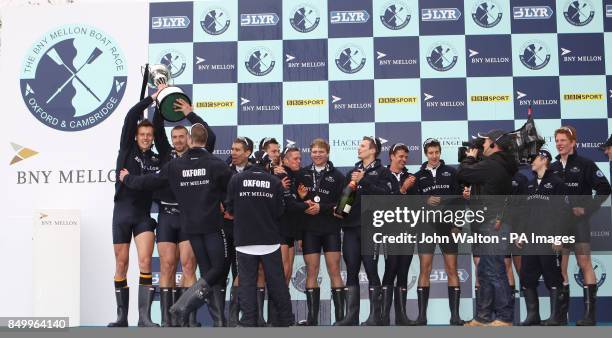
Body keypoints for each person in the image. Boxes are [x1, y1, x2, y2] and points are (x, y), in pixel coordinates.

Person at [119, 124, 231, 326]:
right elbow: (150, 181)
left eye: (182, 137)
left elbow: (149, 181)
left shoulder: (189, 163)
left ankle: (196, 318)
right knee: (184, 268)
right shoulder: (177, 160)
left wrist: (126, 178)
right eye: (175, 137)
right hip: (187, 221)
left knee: (197, 269)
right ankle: (173, 315)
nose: (178, 140)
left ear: (189, 139)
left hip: (190, 223)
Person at [108, 86, 163, 327]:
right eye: (142, 134)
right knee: (121, 263)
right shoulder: (126, 149)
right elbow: (131, 115)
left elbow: (160, 134)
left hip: (142, 216)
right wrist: (151, 98)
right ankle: (121, 317)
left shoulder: (157, 158)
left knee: (144, 262)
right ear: (135, 135)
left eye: (149, 135)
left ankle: (145, 317)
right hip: (122, 213)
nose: (146, 137)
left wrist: (161, 105)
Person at [224, 155, 295, 327]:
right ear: (267, 166)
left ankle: (249, 319)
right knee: (277, 282)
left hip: (245, 239)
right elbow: (279, 211)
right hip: (269, 239)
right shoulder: (275, 182)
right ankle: (286, 319)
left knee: (247, 282)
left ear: (250, 163)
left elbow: (229, 208)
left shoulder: (236, 179)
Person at [550, 126, 611, 326]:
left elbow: (604, 188)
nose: (559, 143)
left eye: (563, 140)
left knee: (585, 262)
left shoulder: (586, 164)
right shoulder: (552, 167)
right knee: (560, 267)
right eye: (557, 140)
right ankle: (559, 317)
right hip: (559, 225)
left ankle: (589, 316)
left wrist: (587, 208)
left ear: (573, 142)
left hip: (579, 224)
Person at [457, 129, 518, 327]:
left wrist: (469, 159)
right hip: (487, 221)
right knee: (484, 270)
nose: (481, 146)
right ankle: (483, 317)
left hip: (493, 223)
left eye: (485, 142)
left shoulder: (494, 164)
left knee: (496, 270)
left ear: (494, 145)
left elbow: (463, 173)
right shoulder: (497, 164)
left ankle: (504, 318)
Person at [334, 136, 394, 326]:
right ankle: (351, 317)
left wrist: (365, 180)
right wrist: (341, 209)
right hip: (350, 228)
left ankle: (375, 317)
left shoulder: (385, 172)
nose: (358, 148)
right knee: (351, 271)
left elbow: (388, 195)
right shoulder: (352, 172)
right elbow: (346, 198)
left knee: (371, 271)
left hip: (372, 227)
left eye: (362, 146)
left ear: (373, 150)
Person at [413, 138, 465, 326]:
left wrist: (458, 225)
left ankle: (455, 316)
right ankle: (421, 317)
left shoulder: (452, 173)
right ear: (426, 154)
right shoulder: (418, 176)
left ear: (440, 152)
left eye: (437, 152)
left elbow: (460, 201)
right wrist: (425, 200)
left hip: (448, 226)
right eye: (430, 153)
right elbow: (412, 203)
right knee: (424, 269)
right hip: (426, 226)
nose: (434, 156)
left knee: (452, 268)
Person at [295, 139, 345, 325]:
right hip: (309, 230)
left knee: (334, 270)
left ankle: (340, 320)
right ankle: (312, 319)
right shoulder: (302, 174)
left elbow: (343, 205)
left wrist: (321, 207)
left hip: (331, 229)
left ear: (328, 153)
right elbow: (295, 205)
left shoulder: (338, 176)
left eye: (321, 151)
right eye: (314, 151)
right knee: (311, 272)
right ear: (310, 153)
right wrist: (299, 234)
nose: (317, 154)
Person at [517, 149, 569, 326]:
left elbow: (562, 213)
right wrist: (521, 235)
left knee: (553, 276)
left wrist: (558, 237)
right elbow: (524, 213)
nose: (532, 162)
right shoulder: (529, 184)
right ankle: (533, 315)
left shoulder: (557, 183)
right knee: (526, 276)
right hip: (531, 240)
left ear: (544, 160)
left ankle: (556, 317)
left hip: (549, 239)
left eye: (535, 159)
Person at [379, 143, 417, 326]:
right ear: (391, 156)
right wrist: (402, 190)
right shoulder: (381, 176)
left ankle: (401, 316)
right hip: (389, 229)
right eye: (400, 156)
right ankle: (384, 316)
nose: (403, 159)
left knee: (403, 271)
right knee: (391, 267)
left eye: (405, 157)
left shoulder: (411, 178)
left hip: (408, 230)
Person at [223, 136, 254, 327]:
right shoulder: (224, 171)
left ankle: (237, 317)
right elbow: (217, 194)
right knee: (220, 271)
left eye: (237, 150)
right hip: (226, 229)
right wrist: (224, 207)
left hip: (247, 230)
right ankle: (224, 318)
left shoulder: (255, 172)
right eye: (232, 149)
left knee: (241, 272)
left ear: (248, 152)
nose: (233, 153)